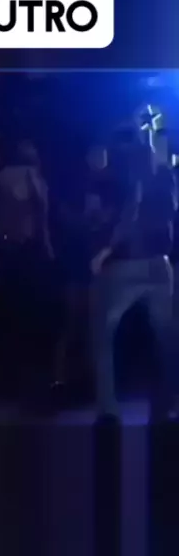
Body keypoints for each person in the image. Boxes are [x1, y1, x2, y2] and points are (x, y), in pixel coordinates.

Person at [90, 130, 177, 420]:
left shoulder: (131, 178)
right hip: (160, 264)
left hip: (128, 265)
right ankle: (166, 403)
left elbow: (129, 216)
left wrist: (105, 251)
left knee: (103, 334)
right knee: (165, 337)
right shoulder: (166, 177)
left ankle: (108, 408)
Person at [0, 139, 54, 387]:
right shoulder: (31, 176)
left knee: (11, 312)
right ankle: (27, 374)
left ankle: (10, 374)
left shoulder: (2, 177)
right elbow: (41, 213)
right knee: (29, 312)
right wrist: (47, 248)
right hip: (27, 248)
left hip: (9, 247)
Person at [53, 144, 115, 391]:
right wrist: (85, 221)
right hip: (79, 261)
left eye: (103, 156)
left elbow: (111, 219)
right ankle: (61, 377)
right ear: (89, 158)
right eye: (97, 156)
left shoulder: (109, 186)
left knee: (95, 325)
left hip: (99, 262)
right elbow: (65, 215)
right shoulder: (78, 186)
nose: (100, 161)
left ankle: (90, 378)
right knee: (73, 323)